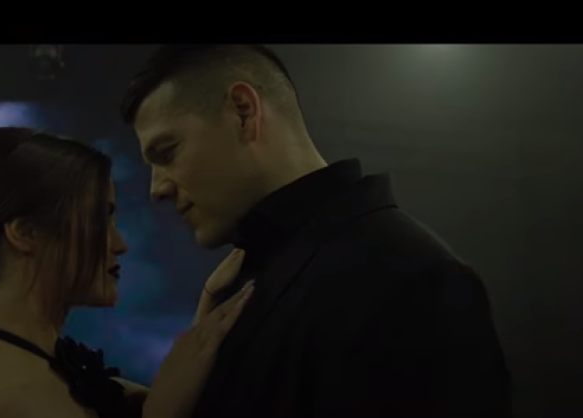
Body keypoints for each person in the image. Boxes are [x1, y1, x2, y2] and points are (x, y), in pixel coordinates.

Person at [120, 45, 513, 417]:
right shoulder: (238, 284)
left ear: (243, 112)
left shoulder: (418, 280)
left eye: (167, 152)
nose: (157, 189)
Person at [0, 127, 254, 418]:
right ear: (25, 232)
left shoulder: (52, 371)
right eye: (99, 219)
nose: (120, 244)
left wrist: (202, 332)